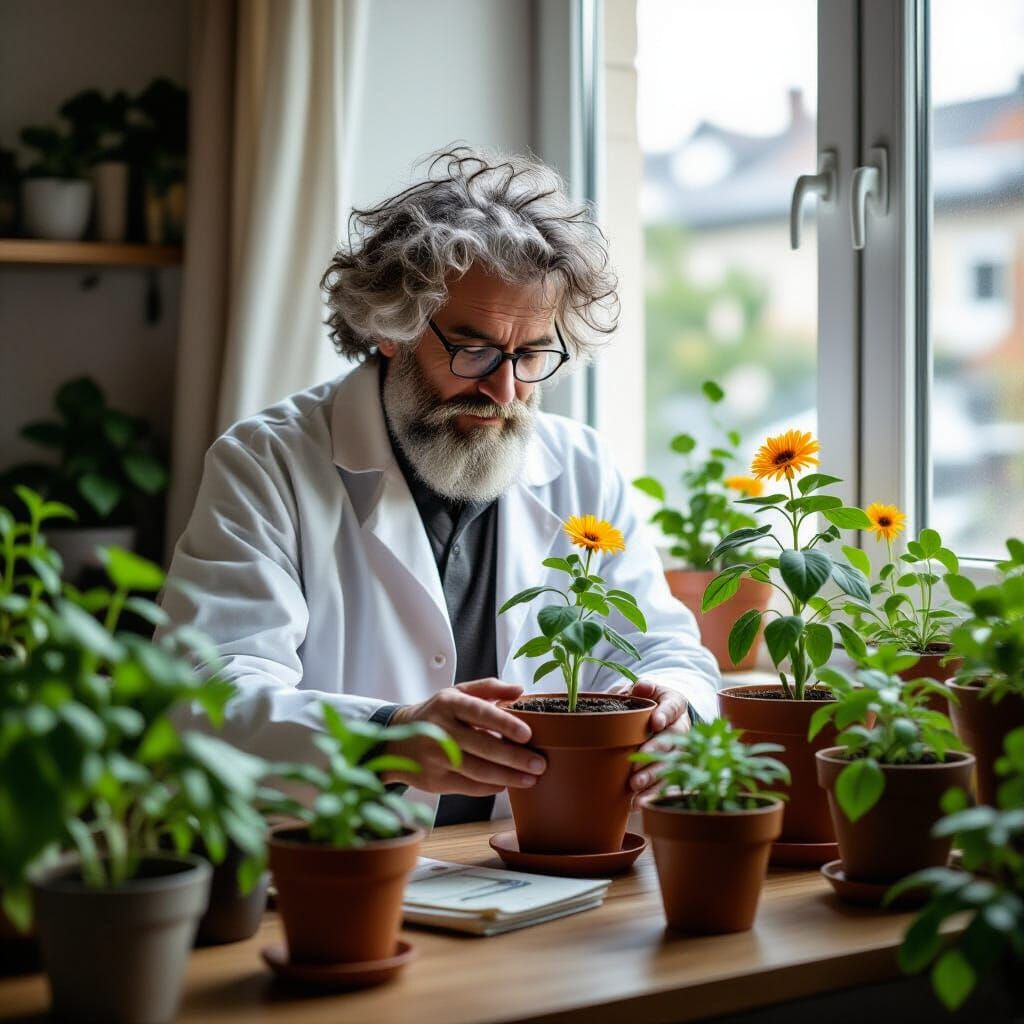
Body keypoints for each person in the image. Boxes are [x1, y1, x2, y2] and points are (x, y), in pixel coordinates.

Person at [160, 147, 720, 824]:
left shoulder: (582, 468)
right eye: (474, 348)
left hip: (543, 864)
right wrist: (389, 736)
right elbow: (208, 693)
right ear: (391, 328)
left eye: (533, 353)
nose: (505, 388)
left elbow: (664, 646)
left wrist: (676, 704)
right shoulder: (267, 464)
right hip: (345, 868)